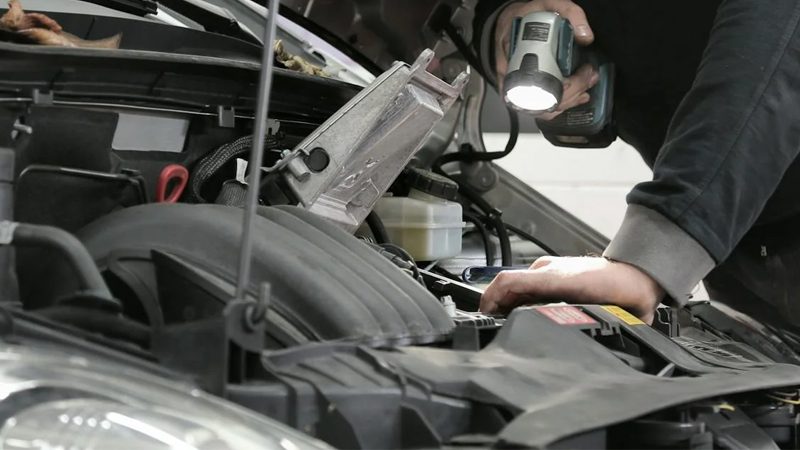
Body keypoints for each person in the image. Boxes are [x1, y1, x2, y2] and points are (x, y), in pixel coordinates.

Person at [472, 0, 800, 326]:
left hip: (741, 207)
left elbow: (776, 30)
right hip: (724, 231)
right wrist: (502, 26)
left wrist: (652, 255)